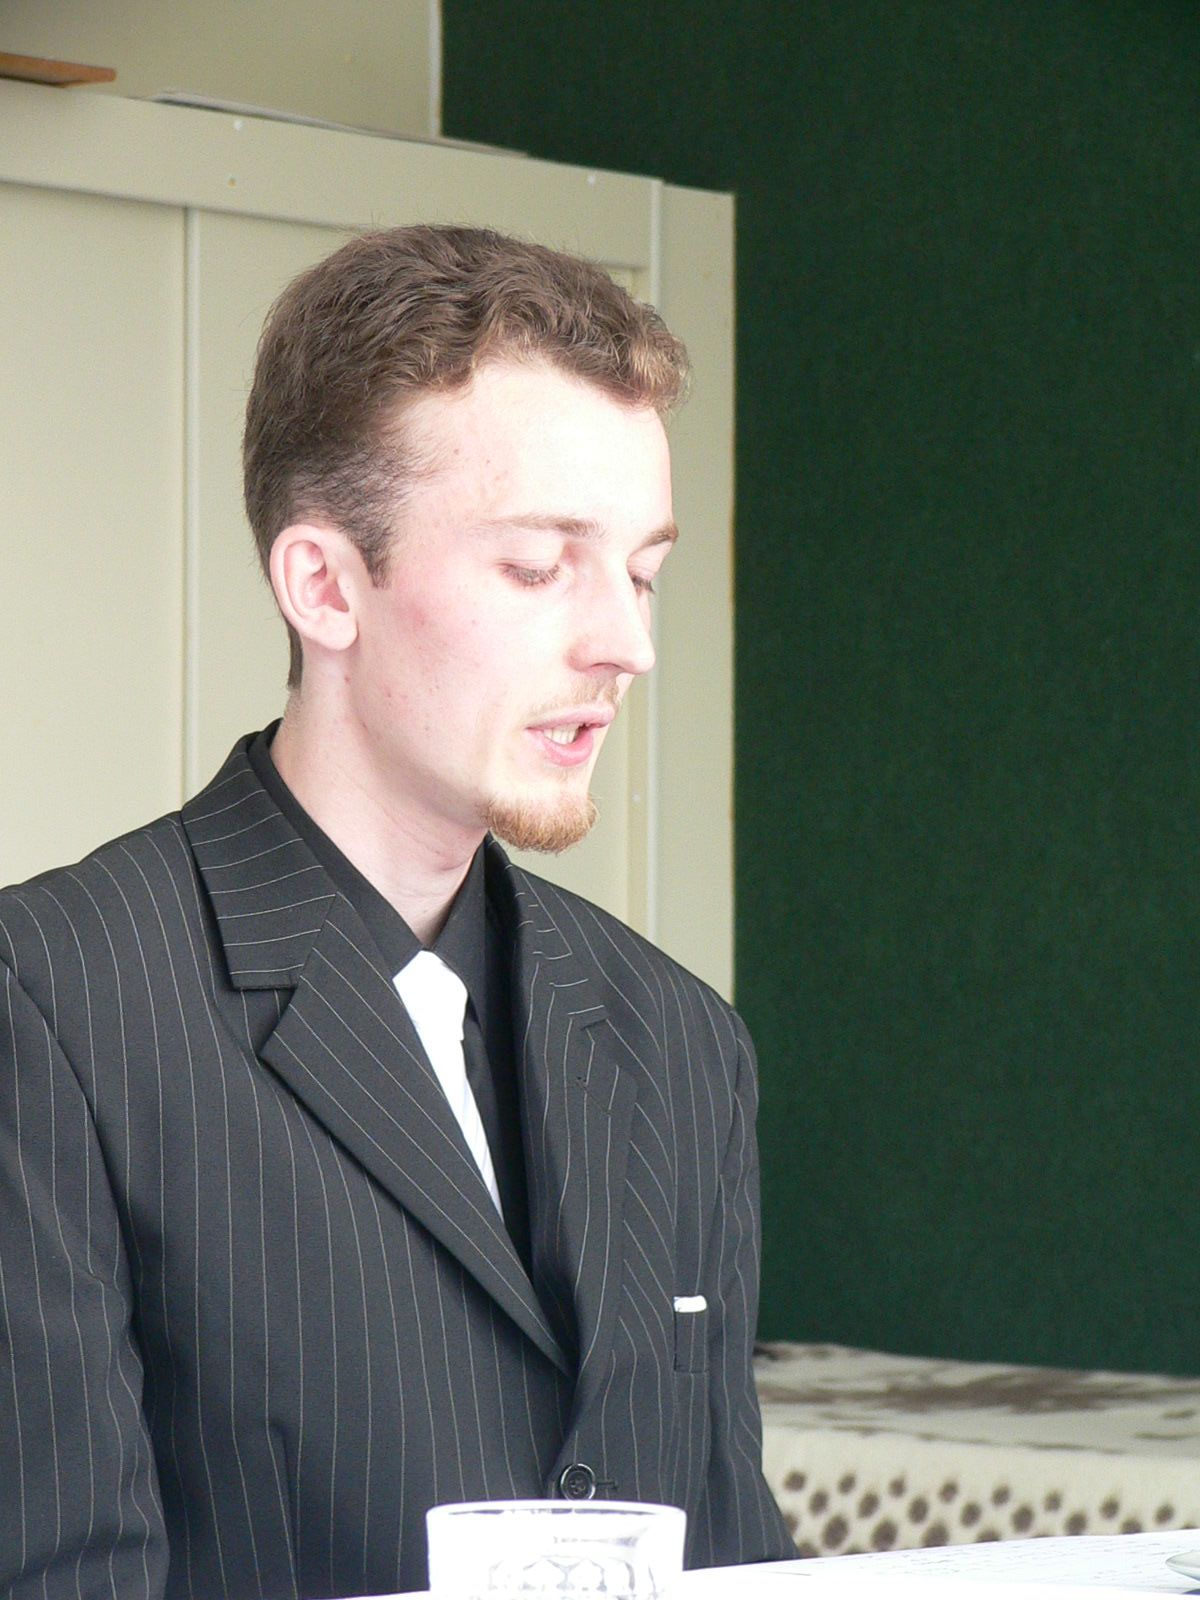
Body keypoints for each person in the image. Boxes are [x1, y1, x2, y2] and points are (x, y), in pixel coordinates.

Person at [0, 225, 795, 1599]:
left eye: (642, 571)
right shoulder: (53, 1004)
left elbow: (731, 1559)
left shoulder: (682, 1040)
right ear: (324, 585)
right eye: (540, 565)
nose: (628, 644)